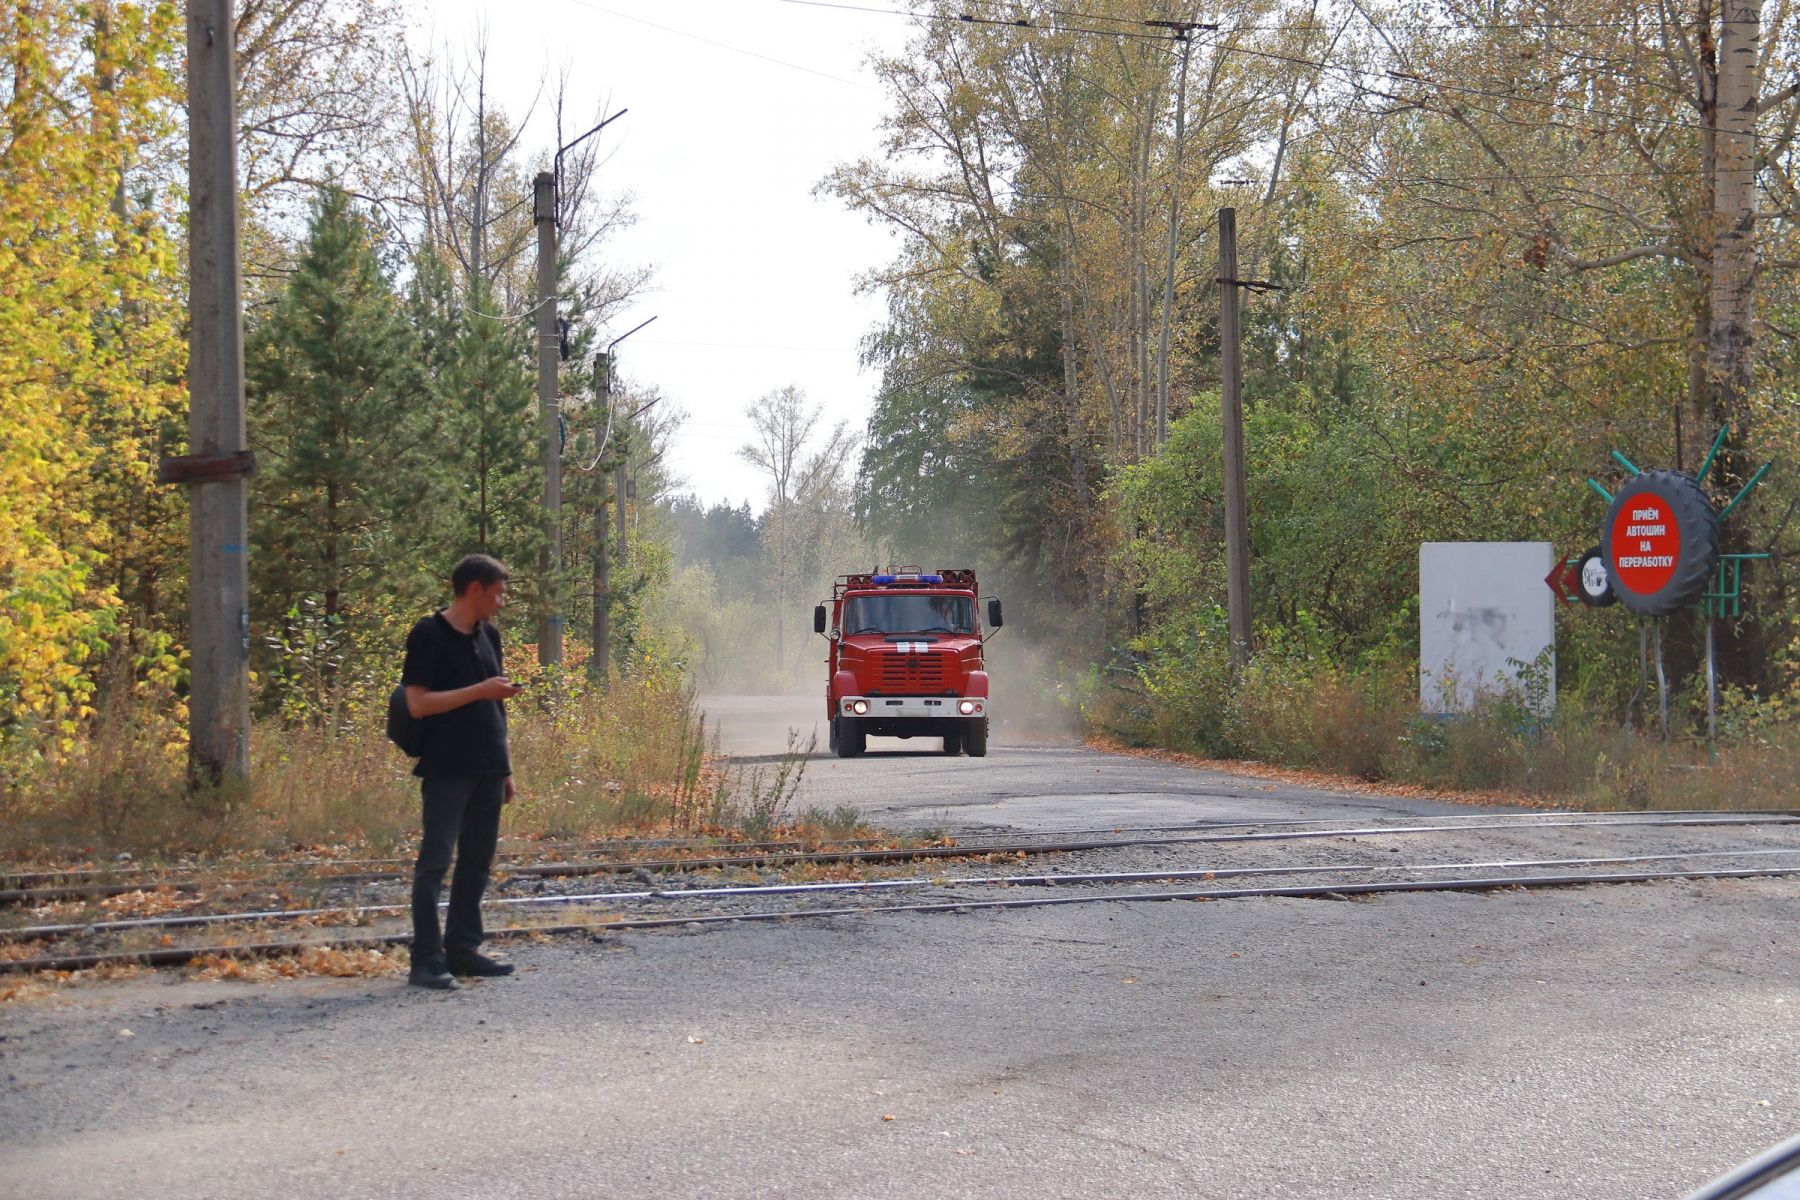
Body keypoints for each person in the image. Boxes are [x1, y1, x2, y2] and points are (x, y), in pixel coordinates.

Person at [400, 553, 524, 989]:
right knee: (435, 862)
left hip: (488, 767)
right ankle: (426, 960)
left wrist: (505, 768)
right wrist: (480, 691)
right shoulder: (429, 634)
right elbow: (417, 704)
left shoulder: (489, 634)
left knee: (476, 862)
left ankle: (463, 950)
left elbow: (496, 707)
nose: (501, 602)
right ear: (476, 589)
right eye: (498, 594)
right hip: (447, 767)